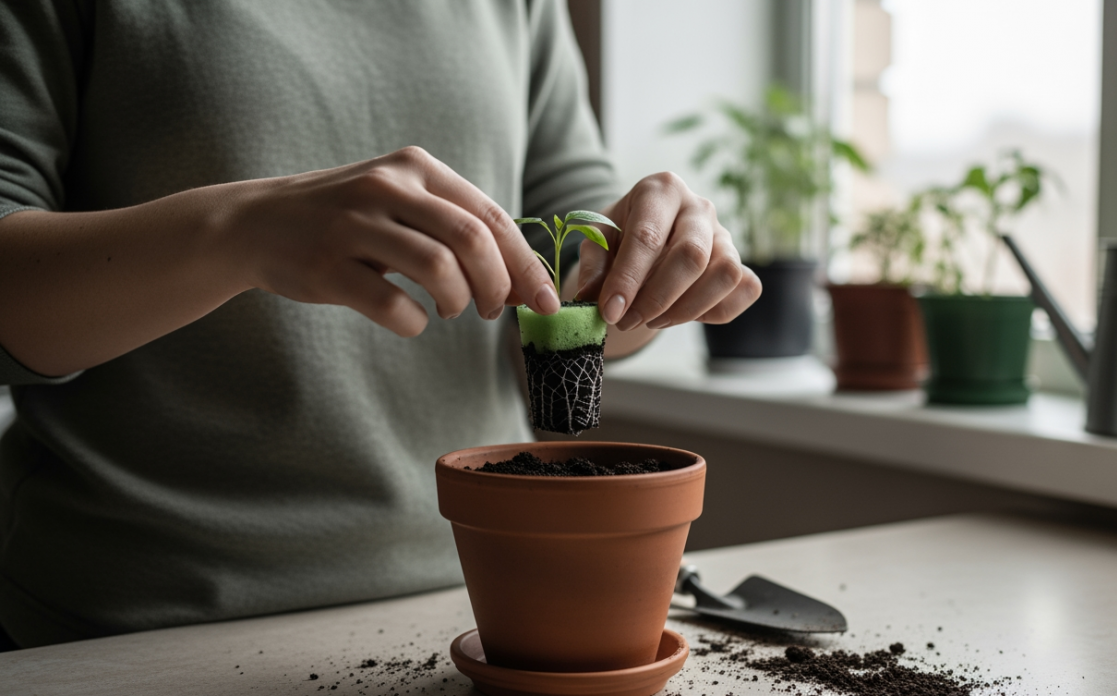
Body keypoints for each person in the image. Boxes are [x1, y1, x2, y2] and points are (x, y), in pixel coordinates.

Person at [0, 1, 758, 648]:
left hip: (488, 599)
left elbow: (569, 272)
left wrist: (647, 270)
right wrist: (237, 231)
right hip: (144, 622)